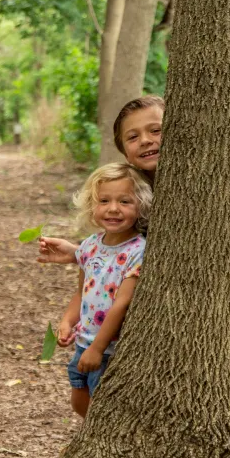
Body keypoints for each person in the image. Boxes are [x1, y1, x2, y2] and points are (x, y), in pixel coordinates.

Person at [56, 163, 151, 417]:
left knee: (103, 407)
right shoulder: (89, 246)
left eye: (124, 201)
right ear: (92, 206)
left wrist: (98, 348)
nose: (113, 209)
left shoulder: (138, 251)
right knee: (79, 400)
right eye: (104, 200)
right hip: (83, 341)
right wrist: (67, 321)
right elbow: (81, 292)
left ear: (140, 204)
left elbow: (122, 304)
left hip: (109, 349)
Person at [38, 95, 164, 264]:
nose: (145, 140)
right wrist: (79, 254)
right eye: (132, 137)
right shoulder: (128, 190)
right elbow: (125, 249)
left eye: (156, 130)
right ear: (125, 153)